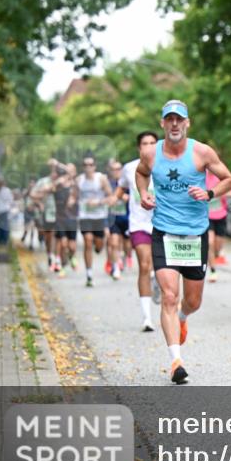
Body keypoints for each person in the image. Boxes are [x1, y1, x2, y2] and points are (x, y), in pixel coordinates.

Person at [137, 102, 231, 384]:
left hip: (195, 234)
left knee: (193, 301)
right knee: (168, 295)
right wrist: (144, 194)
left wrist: (209, 192)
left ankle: (182, 317)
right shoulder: (151, 154)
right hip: (164, 231)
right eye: (169, 120)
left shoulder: (201, 152)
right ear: (163, 124)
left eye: (179, 119)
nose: (175, 124)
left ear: (187, 123)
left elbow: (230, 179)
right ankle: (176, 361)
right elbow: (141, 174)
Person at [115, 131, 161, 332]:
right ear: (139, 147)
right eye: (145, 143)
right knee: (144, 263)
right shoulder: (130, 168)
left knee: (161, 268)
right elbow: (120, 190)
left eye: (153, 143)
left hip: (163, 224)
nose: (149, 146)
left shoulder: (167, 165)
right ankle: (147, 317)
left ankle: (156, 280)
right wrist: (117, 199)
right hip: (139, 224)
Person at [71, 156, 113, 287]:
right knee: (88, 241)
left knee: (99, 246)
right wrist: (71, 201)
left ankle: (99, 245)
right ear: (83, 167)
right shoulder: (79, 180)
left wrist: (99, 202)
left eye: (90, 165)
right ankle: (89, 274)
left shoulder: (101, 179)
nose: (88, 167)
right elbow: (74, 195)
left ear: (95, 166)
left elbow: (111, 196)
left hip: (99, 216)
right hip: (85, 216)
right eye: (85, 165)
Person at [205, 155, 231, 282]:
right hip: (207, 215)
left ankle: (213, 257)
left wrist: (220, 192)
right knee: (209, 243)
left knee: (217, 245)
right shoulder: (201, 176)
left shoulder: (221, 175)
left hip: (221, 214)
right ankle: (213, 270)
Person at [31, 164, 60, 270]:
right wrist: (40, 201)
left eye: (57, 171)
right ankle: (50, 255)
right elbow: (32, 194)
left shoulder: (62, 182)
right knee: (49, 236)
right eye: (53, 170)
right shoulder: (43, 182)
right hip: (47, 213)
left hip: (60, 214)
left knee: (58, 236)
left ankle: (57, 259)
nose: (55, 173)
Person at [106, 159, 130, 280]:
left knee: (127, 245)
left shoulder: (128, 183)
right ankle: (115, 268)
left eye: (118, 169)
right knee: (114, 243)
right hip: (113, 218)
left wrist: (127, 197)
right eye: (114, 169)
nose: (116, 171)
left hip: (127, 218)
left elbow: (138, 198)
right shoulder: (108, 184)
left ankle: (124, 259)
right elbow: (103, 200)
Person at [0, 176, 14, 244]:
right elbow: (11, 200)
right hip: (1, 210)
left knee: (0, 226)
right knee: (2, 226)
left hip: (1, 211)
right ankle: (2, 240)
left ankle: (1, 240)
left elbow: (10, 200)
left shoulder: (1, 190)